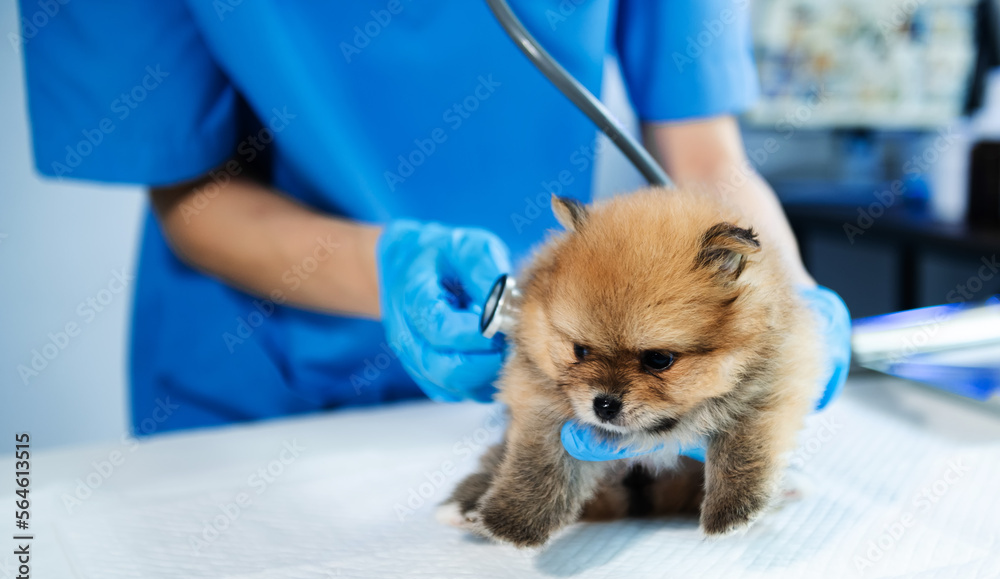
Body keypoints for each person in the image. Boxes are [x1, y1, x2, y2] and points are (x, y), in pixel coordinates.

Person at [20, 0, 849, 455]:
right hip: (252, 384)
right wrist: (391, 269)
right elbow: (193, 197)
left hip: (525, 390)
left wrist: (788, 296)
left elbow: (702, 153)